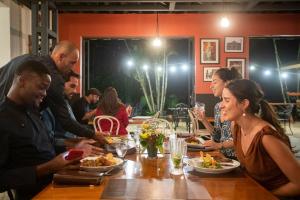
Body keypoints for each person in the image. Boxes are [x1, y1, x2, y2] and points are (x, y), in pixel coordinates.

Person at [0, 60, 80, 199]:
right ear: (22, 81)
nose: (44, 94)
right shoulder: (3, 118)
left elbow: (43, 144)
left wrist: (73, 148)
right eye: (41, 87)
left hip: (57, 182)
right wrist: (48, 168)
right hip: (36, 193)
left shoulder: (33, 111)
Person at [0, 41, 104, 143]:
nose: (72, 68)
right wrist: (93, 134)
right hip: (18, 128)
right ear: (61, 57)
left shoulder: (23, 58)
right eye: (72, 63)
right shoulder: (53, 78)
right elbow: (65, 121)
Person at [221, 79, 300, 198]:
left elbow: (298, 185)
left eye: (226, 100)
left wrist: (262, 195)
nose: (221, 105)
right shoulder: (236, 126)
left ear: (244, 104)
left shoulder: (266, 136)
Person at [194, 67, 241, 159]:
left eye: (214, 82)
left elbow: (242, 141)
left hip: (236, 159)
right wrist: (204, 120)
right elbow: (217, 136)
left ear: (227, 83)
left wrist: (219, 145)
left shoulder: (237, 106)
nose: (211, 86)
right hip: (222, 156)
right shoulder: (217, 106)